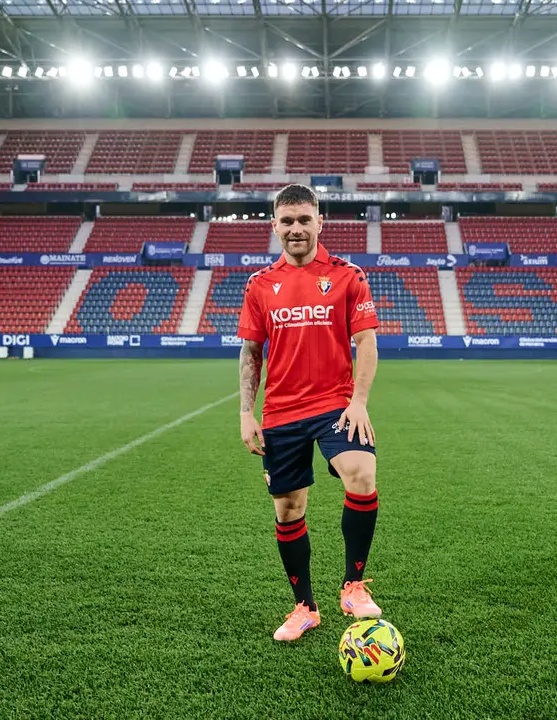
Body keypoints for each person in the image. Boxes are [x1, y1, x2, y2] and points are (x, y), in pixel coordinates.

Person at [237, 184, 382, 642]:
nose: (296, 228)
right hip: (280, 411)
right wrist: (246, 411)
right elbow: (250, 353)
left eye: (304, 219)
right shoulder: (260, 284)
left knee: (361, 473)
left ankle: (353, 585)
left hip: (336, 404)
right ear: (274, 226)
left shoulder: (347, 275)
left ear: (320, 222)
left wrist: (359, 401)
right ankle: (305, 607)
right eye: (287, 221)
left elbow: (366, 343)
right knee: (288, 509)